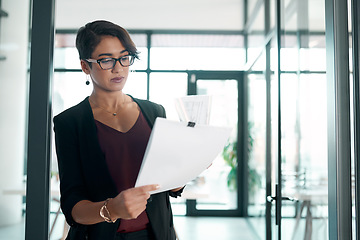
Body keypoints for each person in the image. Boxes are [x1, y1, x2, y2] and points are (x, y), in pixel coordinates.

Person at [53, 20, 184, 240]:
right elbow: (72, 206)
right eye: (106, 60)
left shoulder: (154, 112)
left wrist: (185, 169)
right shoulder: (69, 122)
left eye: (124, 58)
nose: (118, 67)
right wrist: (112, 209)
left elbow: (167, 182)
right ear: (85, 66)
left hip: (158, 234)